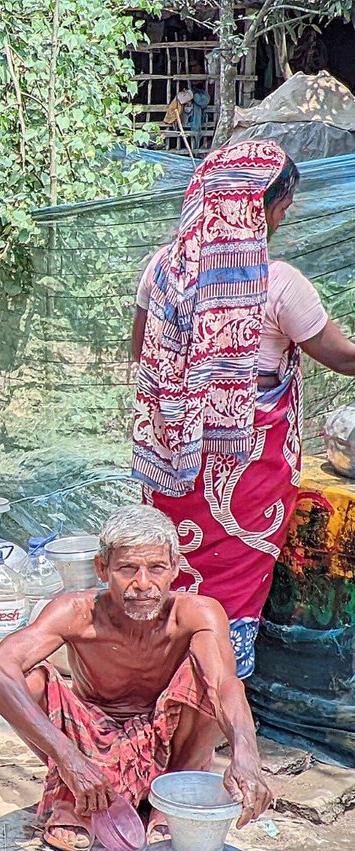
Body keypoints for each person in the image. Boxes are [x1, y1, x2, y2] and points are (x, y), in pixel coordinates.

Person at [131, 140, 355, 678]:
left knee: (173, 571)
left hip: (173, 457)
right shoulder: (278, 284)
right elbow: (344, 358)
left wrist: (195, 387)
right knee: (231, 583)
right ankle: (213, 705)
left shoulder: (162, 269)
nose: (288, 209)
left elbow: (143, 353)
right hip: (246, 470)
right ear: (254, 204)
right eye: (282, 198)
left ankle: (159, 685)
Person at [0, 505, 272, 851]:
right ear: (102, 569)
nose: (143, 584)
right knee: (26, 682)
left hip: (168, 743)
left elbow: (225, 685)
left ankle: (169, 798)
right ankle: (74, 797)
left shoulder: (196, 614)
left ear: (175, 569)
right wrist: (70, 760)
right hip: (90, 742)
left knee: (208, 678)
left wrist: (247, 755)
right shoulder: (77, 612)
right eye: (127, 569)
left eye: (157, 568)